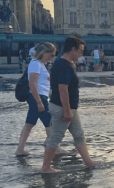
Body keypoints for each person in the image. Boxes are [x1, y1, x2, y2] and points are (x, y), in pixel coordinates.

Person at [40, 36, 101, 173]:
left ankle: (88, 162)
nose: (82, 54)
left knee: (79, 134)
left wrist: (70, 109)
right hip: (63, 107)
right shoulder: (63, 65)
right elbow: (63, 89)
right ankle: (45, 167)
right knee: (55, 137)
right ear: (72, 49)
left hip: (69, 107)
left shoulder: (68, 64)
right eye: (80, 50)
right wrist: (67, 111)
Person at [15, 43, 68, 157]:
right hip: (38, 97)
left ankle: (20, 149)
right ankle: (55, 147)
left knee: (29, 124)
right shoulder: (36, 65)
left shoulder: (39, 64)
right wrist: (39, 102)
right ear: (44, 52)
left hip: (36, 97)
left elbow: (43, 81)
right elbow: (32, 84)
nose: (52, 57)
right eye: (51, 54)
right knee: (50, 123)